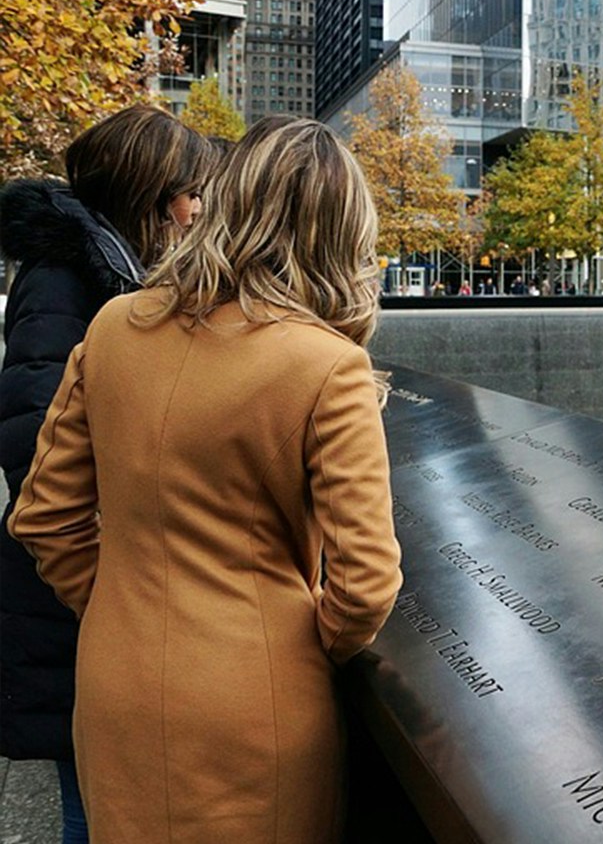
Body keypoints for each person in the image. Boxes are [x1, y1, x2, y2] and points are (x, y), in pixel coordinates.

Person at [8, 117, 403, 843]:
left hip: (114, 680)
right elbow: (366, 585)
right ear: (344, 232)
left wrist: (118, 602)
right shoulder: (328, 367)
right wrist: (295, 641)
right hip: (255, 701)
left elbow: (41, 515)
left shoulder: (114, 327)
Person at [0, 103, 217, 844]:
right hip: (66, 607)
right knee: (90, 812)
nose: (196, 212)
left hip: (80, 600)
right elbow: (38, 447)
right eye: (190, 193)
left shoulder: (102, 269)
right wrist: (107, 590)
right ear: (148, 193)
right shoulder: (67, 280)